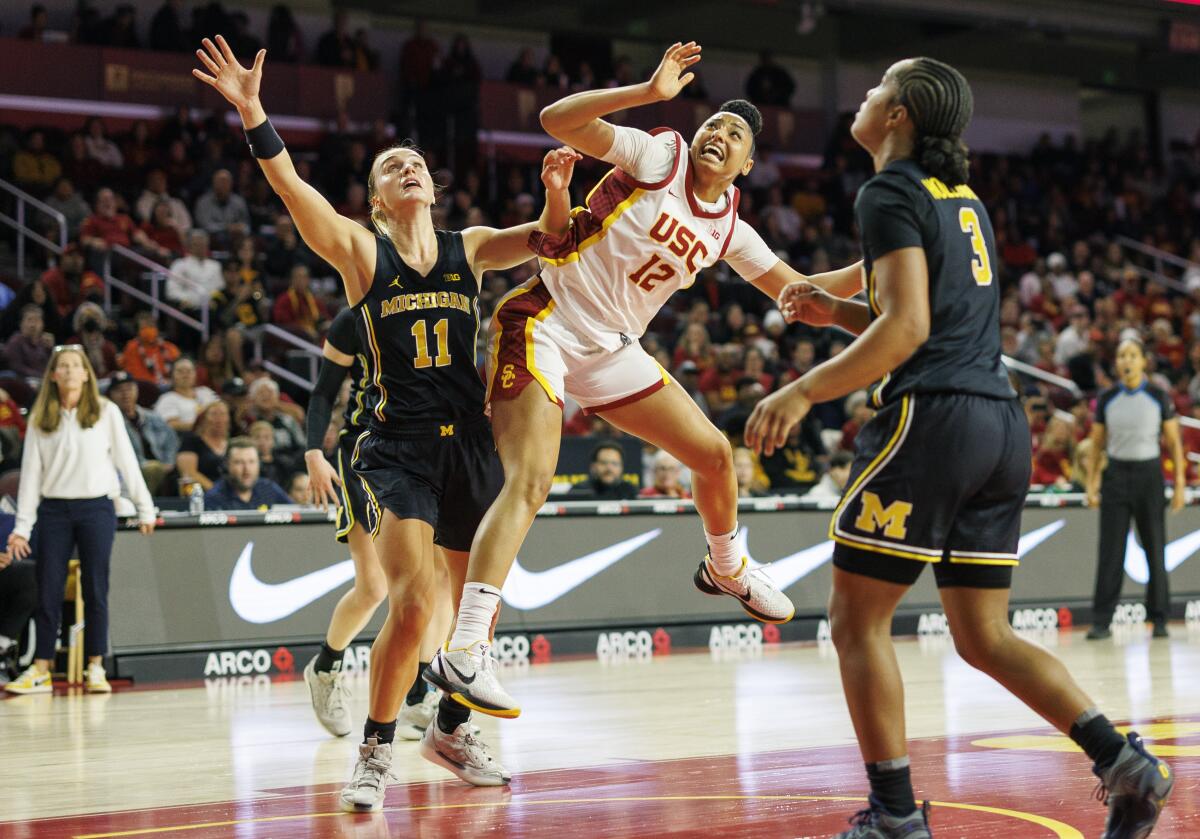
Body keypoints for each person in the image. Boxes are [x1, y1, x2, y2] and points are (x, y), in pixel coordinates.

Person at [745, 57, 1173, 838]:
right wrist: (834, 307)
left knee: (856, 622)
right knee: (984, 633)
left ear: (900, 114)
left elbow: (906, 331)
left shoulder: (888, 189)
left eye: (878, 86)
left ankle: (896, 815)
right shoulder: (963, 199)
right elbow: (918, 315)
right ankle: (1124, 761)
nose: (867, 95)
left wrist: (804, 388)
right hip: (999, 426)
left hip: (934, 421)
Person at [193, 33, 578, 808]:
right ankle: (373, 750)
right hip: (392, 446)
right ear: (375, 200)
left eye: (418, 165)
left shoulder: (469, 249)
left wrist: (561, 189)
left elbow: (552, 239)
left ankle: (449, 726)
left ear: (433, 189)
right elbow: (293, 188)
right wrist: (253, 111)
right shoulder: (363, 252)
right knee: (410, 601)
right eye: (391, 168)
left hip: (467, 441)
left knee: (472, 612)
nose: (410, 169)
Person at [436, 42, 839, 719]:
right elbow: (557, 120)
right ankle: (467, 648)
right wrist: (649, 92)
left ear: (746, 166)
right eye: (714, 124)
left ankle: (727, 566)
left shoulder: (730, 228)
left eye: (734, 136)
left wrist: (885, 273)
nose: (718, 135)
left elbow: (800, 294)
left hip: (612, 347)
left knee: (714, 454)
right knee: (531, 481)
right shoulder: (664, 155)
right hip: (546, 319)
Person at [302, 305, 453, 742]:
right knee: (374, 586)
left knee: (439, 576)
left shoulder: (443, 301)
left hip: (429, 451)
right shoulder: (356, 317)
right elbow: (323, 390)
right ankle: (326, 668)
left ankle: (419, 693)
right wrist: (313, 450)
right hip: (364, 452)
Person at [5, 346, 155, 695]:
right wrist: (21, 528)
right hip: (54, 510)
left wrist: (145, 508)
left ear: (87, 374)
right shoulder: (42, 416)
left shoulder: (106, 411)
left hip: (96, 509)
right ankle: (40, 668)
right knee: (48, 589)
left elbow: (127, 462)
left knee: (96, 589)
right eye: (64, 367)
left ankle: (95, 666)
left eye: (76, 366)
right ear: (54, 375)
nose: (71, 371)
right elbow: (30, 477)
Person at [1084, 338, 1186, 641]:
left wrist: (1179, 483)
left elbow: (1173, 443)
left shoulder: (1158, 396)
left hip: (1149, 476)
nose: (1126, 361)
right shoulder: (1107, 398)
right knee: (1110, 551)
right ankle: (1102, 620)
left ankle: (1159, 618)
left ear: (1143, 361)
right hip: (1116, 476)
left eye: (1132, 355)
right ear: (1116, 363)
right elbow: (1097, 444)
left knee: (1155, 547)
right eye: (1121, 356)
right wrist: (1092, 483)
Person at [109, 370, 179, 495]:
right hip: (130, 472)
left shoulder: (153, 417)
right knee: (152, 469)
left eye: (129, 389)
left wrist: (169, 462)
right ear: (111, 395)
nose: (125, 394)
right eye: (119, 390)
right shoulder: (110, 422)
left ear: (137, 390)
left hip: (163, 468)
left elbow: (171, 441)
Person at [203, 437, 291, 510]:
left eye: (251, 462)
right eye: (239, 462)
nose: (247, 469)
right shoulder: (213, 498)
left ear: (259, 464)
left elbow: (294, 514)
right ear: (227, 465)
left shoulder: (269, 489)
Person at [175, 399, 232, 491]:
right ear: (204, 419)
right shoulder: (191, 441)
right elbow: (188, 473)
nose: (219, 418)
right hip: (202, 493)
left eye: (222, 414)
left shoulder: (232, 444)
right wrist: (216, 492)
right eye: (214, 414)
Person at [154, 357, 219, 432]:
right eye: (180, 371)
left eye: (189, 371)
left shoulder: (206, 391)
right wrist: (201, 426)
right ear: (172, 376)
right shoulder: (167, 399)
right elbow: (170, 425)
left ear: (195, 374)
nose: (185, 375)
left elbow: (221, 410)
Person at [566, 442, 638, 500]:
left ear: (621, 467)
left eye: (614, 463)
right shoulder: (579, 491)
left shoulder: (630, 491)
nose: (609, 468)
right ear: (593, 467)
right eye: (603, 463)